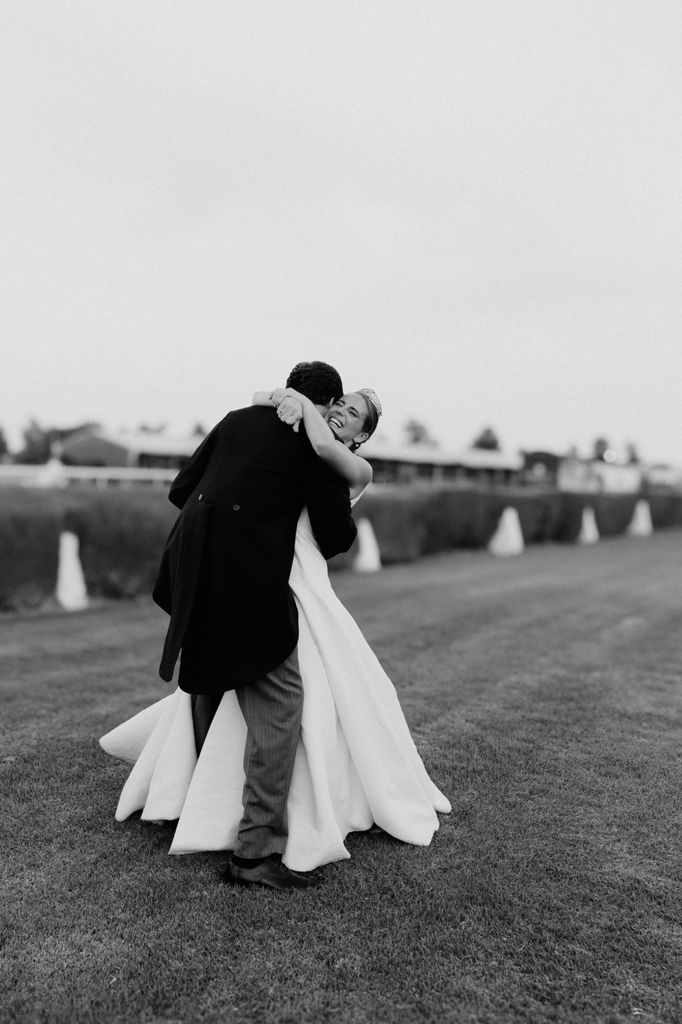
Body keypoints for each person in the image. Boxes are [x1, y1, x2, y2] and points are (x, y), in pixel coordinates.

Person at [100, 376, 451, 889]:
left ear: (358, 435)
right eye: (342, 404)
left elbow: (183, 487)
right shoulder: (310, 449)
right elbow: (335, 535)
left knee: (209, 688)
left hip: (209, 573)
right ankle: (251, 846)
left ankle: (191, 801)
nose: (340, 414)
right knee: (280, 701)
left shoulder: (259, 428)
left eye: (353, 414)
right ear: (323, 400)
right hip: (261, 584)